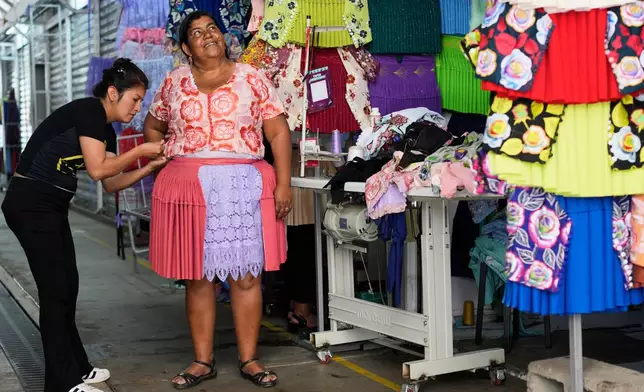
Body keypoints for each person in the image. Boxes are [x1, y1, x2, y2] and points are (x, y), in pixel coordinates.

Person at [143, 11, 292, 390]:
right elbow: (154, 124)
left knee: (246, 277)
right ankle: (202, 361)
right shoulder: (175, 81)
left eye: (213, 28)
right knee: (197, 278)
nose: (208, 35)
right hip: (191, 188)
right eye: (197, 32)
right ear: (185, 48)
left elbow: (277, 132)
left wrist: (284, 185)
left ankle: (249, 359)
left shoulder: (252, 77)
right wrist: (166, 163)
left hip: (243, 184)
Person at [1, 58, 168, 392]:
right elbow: (96, 170)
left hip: (50, 206)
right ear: (112, 92)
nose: (138, 107)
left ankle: (78, 368)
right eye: (134, 99)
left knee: (67, 287)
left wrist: (150, 167)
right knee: (55, 292)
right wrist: (141, 151)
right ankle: (61, 383)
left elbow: (111, 183)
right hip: (30, 203)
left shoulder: (104, 128)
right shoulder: (90, 111)